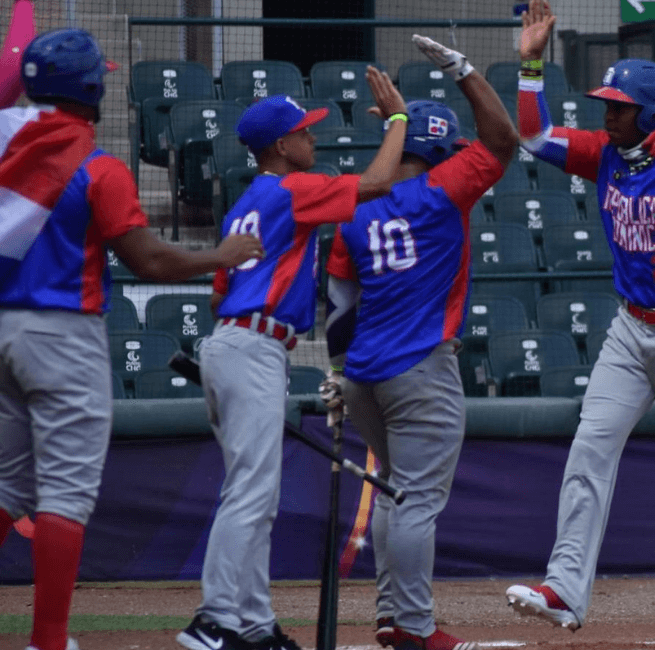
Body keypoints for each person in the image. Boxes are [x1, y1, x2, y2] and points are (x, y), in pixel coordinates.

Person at [0, 28, 263, 650]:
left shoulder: (5, 144)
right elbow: (147, 261)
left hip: (1, 327)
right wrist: (217, 255)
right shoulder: (97, 166)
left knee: (5, 486)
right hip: (63, 332)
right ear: (92, 89)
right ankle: (49, 640)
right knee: (64, 492)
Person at [503, 3, 655, 650]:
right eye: (607, 104)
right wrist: (531, 63)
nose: (606, 114)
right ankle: (563, 588)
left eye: (618, 106)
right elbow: (532, 136)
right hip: (633, 330)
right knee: (591, 444)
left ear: (653, 113)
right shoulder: (608, 154)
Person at [175, 69, 409, 650]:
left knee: (255, 494)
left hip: (233, 341)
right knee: (252, 494)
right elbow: (379, 183)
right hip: (253, 347)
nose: (313, 139)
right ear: (281, 146)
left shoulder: (245, 203)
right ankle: (214, 619)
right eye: (304, 132)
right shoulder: (292, 188)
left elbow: (218, 294)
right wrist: (399, 121)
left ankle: (253, 625)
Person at [319, 34, 517, 650]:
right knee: (416, 501)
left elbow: (339, 304)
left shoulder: (358, 204)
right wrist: (462, 70)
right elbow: (503, 141)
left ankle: (389, 613)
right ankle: (413, 626)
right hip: (421, 369)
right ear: (437, 149)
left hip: (362, 374)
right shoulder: (445, 187)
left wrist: (335, 372)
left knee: (391, 490)